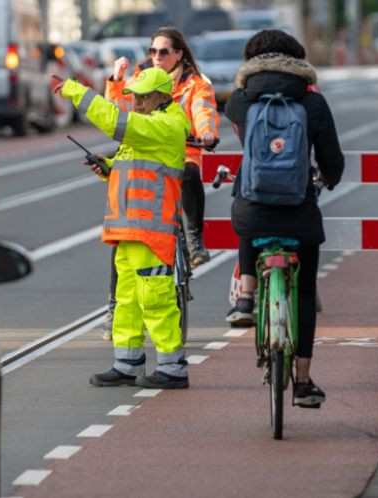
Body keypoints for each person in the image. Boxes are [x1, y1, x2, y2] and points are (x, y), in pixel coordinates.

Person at [223, 29, 344, 407]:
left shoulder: (240, 102)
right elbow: (332, 162)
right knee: (304, 291)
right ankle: (304, 383)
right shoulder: (313, 103)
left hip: (253, 212)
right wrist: (326, 179)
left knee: (246, 209)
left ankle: (246, 295)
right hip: (299, 212)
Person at [52, 67, 192, 389]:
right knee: (127, 299)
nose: (137, 103)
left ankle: (173, 367)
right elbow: (137, 167)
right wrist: (109, 167)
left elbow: (115, 122)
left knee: (156, 299)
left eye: (143, 97)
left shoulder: (166, 125)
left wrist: (76, 91)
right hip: (130, 229)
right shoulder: (150, 127)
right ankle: (127, 362)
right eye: (135, 97)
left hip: (151, 232)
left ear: (162, 97)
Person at [101, 26, 219, 338]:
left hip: (180, 154)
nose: (156, 57)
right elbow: (121, 114)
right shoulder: (141, 78)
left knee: (191, 172)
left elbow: (203, 109)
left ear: (179, 54)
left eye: (163, 52)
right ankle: (113, 306)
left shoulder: (195, 84)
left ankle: (194, 235)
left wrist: (206, 132)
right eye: (152, 51)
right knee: (124, 232)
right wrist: (115, 82)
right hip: (145, 158)